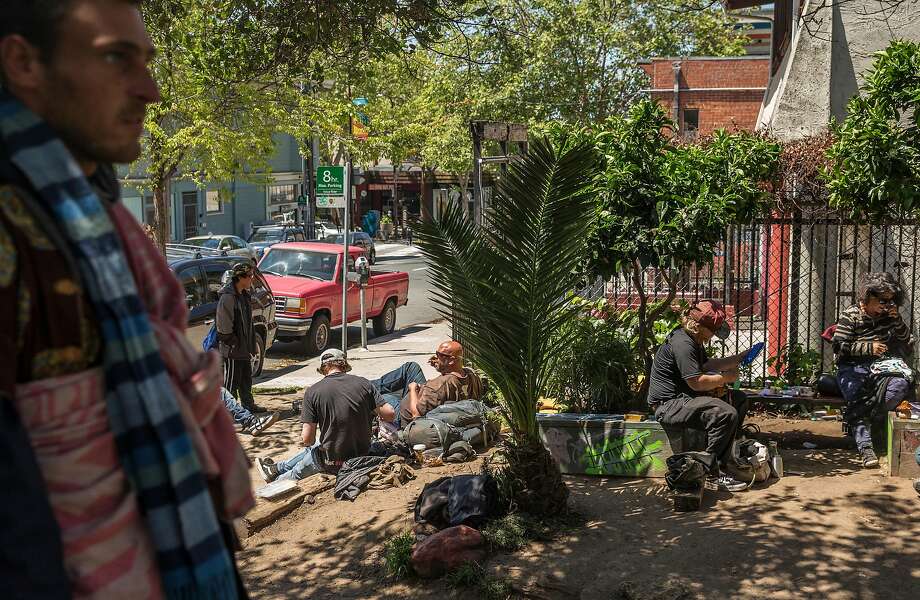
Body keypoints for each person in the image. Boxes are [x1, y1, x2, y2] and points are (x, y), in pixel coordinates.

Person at [0, 1, 253, 597]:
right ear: (23, 62)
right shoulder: (21, 230)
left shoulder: (95, 214)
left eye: (148, 61)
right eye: (117, 58)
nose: (152, 90)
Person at [647, 300, 753, 492]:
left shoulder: (692, 339)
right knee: (725, 413)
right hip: (669, 405)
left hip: (683, 399)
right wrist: (725, 378)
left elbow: (706, 365)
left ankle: (727, 456)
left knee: (739, 400)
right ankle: (713, 472)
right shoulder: (683, 344)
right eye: (712, 330)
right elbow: (696, 382)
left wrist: (738, 358)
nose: (713, 335)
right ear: (698, 326)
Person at [257, 349, 396, 482]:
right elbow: (390, 414)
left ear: (324, 368)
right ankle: (277, 468)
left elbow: (307, 439)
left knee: (307, 458)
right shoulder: (364, 383)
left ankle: (276, 481)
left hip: (333, 463)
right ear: (344, 365)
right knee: (319, 444)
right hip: (362, 456)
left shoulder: (313, 392)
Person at [832, 272, 914, 468]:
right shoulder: (851, 315)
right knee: (857, 394)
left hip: (883, 367)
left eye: (891, 300)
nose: (886, 305)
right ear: (867, 297)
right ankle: (866, 447)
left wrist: (897, 320)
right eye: (882, 300)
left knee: (900, 386)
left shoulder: (889, 316)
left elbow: (906, 340)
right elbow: (838, 346)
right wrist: (869, 347)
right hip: (852, 367)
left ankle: (870, 419)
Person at [370, 340, 483, 428]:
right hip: (427, 398)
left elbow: (416, 416)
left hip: (405, 417)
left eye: (439, 355)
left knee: (382, 397)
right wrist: (441, 366)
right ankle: (369, 384)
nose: (436, 357)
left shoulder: (437, 386)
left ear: (451, 360)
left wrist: (413, 389)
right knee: (411, 367)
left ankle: (366, 386)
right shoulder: (471, 375)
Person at [217, 261, 264, 413]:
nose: (252, 279)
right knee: (231, 382)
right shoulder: (228, 298)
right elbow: (224, 327)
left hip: (244, 348)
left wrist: (250, 345)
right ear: (240, 278)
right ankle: (228, 412)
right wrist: (234, 343)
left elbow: (248, 324)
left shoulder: (244, 295)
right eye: (250, 276)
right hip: (232, 349)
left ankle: (248, 405)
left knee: (246, 379)